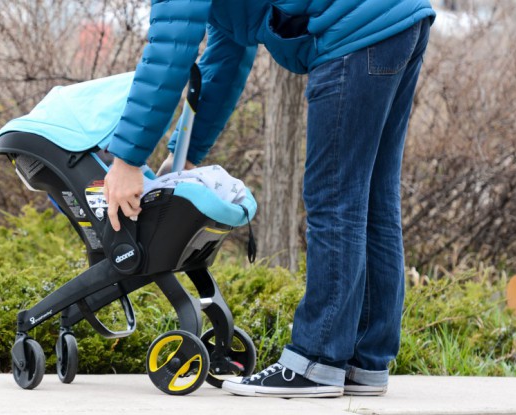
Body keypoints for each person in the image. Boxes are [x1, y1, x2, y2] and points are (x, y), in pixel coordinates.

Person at [103, 0, 435, 398]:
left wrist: (127, 159)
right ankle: (365, 362)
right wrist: (185, 151)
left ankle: (317, 362)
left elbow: (170, 49)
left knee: (335, 199)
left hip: (356, 32)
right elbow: (228, 53)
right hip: (398, 20)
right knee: (374, 203)